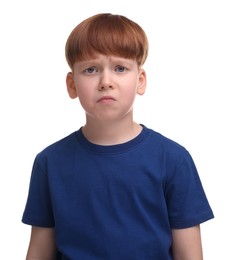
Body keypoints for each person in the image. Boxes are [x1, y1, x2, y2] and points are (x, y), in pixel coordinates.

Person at [22, 13, 214, 259]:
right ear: (72, 84)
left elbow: (190, 255)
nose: (105, 81)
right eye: (91, 69)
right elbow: (39, 251)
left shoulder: (174, 160)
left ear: (140, 80)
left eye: (120, 68)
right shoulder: (49, 162)